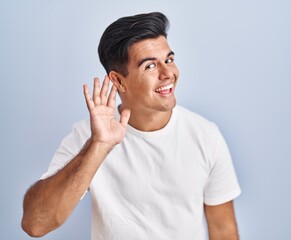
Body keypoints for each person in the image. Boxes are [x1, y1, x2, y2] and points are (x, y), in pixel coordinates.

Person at [21, 12, 241, 240]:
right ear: (118, 81)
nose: (168, 74)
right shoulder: (88, 136)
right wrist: (98, 146)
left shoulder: (205, 135)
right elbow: (35, 224)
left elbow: (223, 230)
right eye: (150, 67)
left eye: (169, 60)